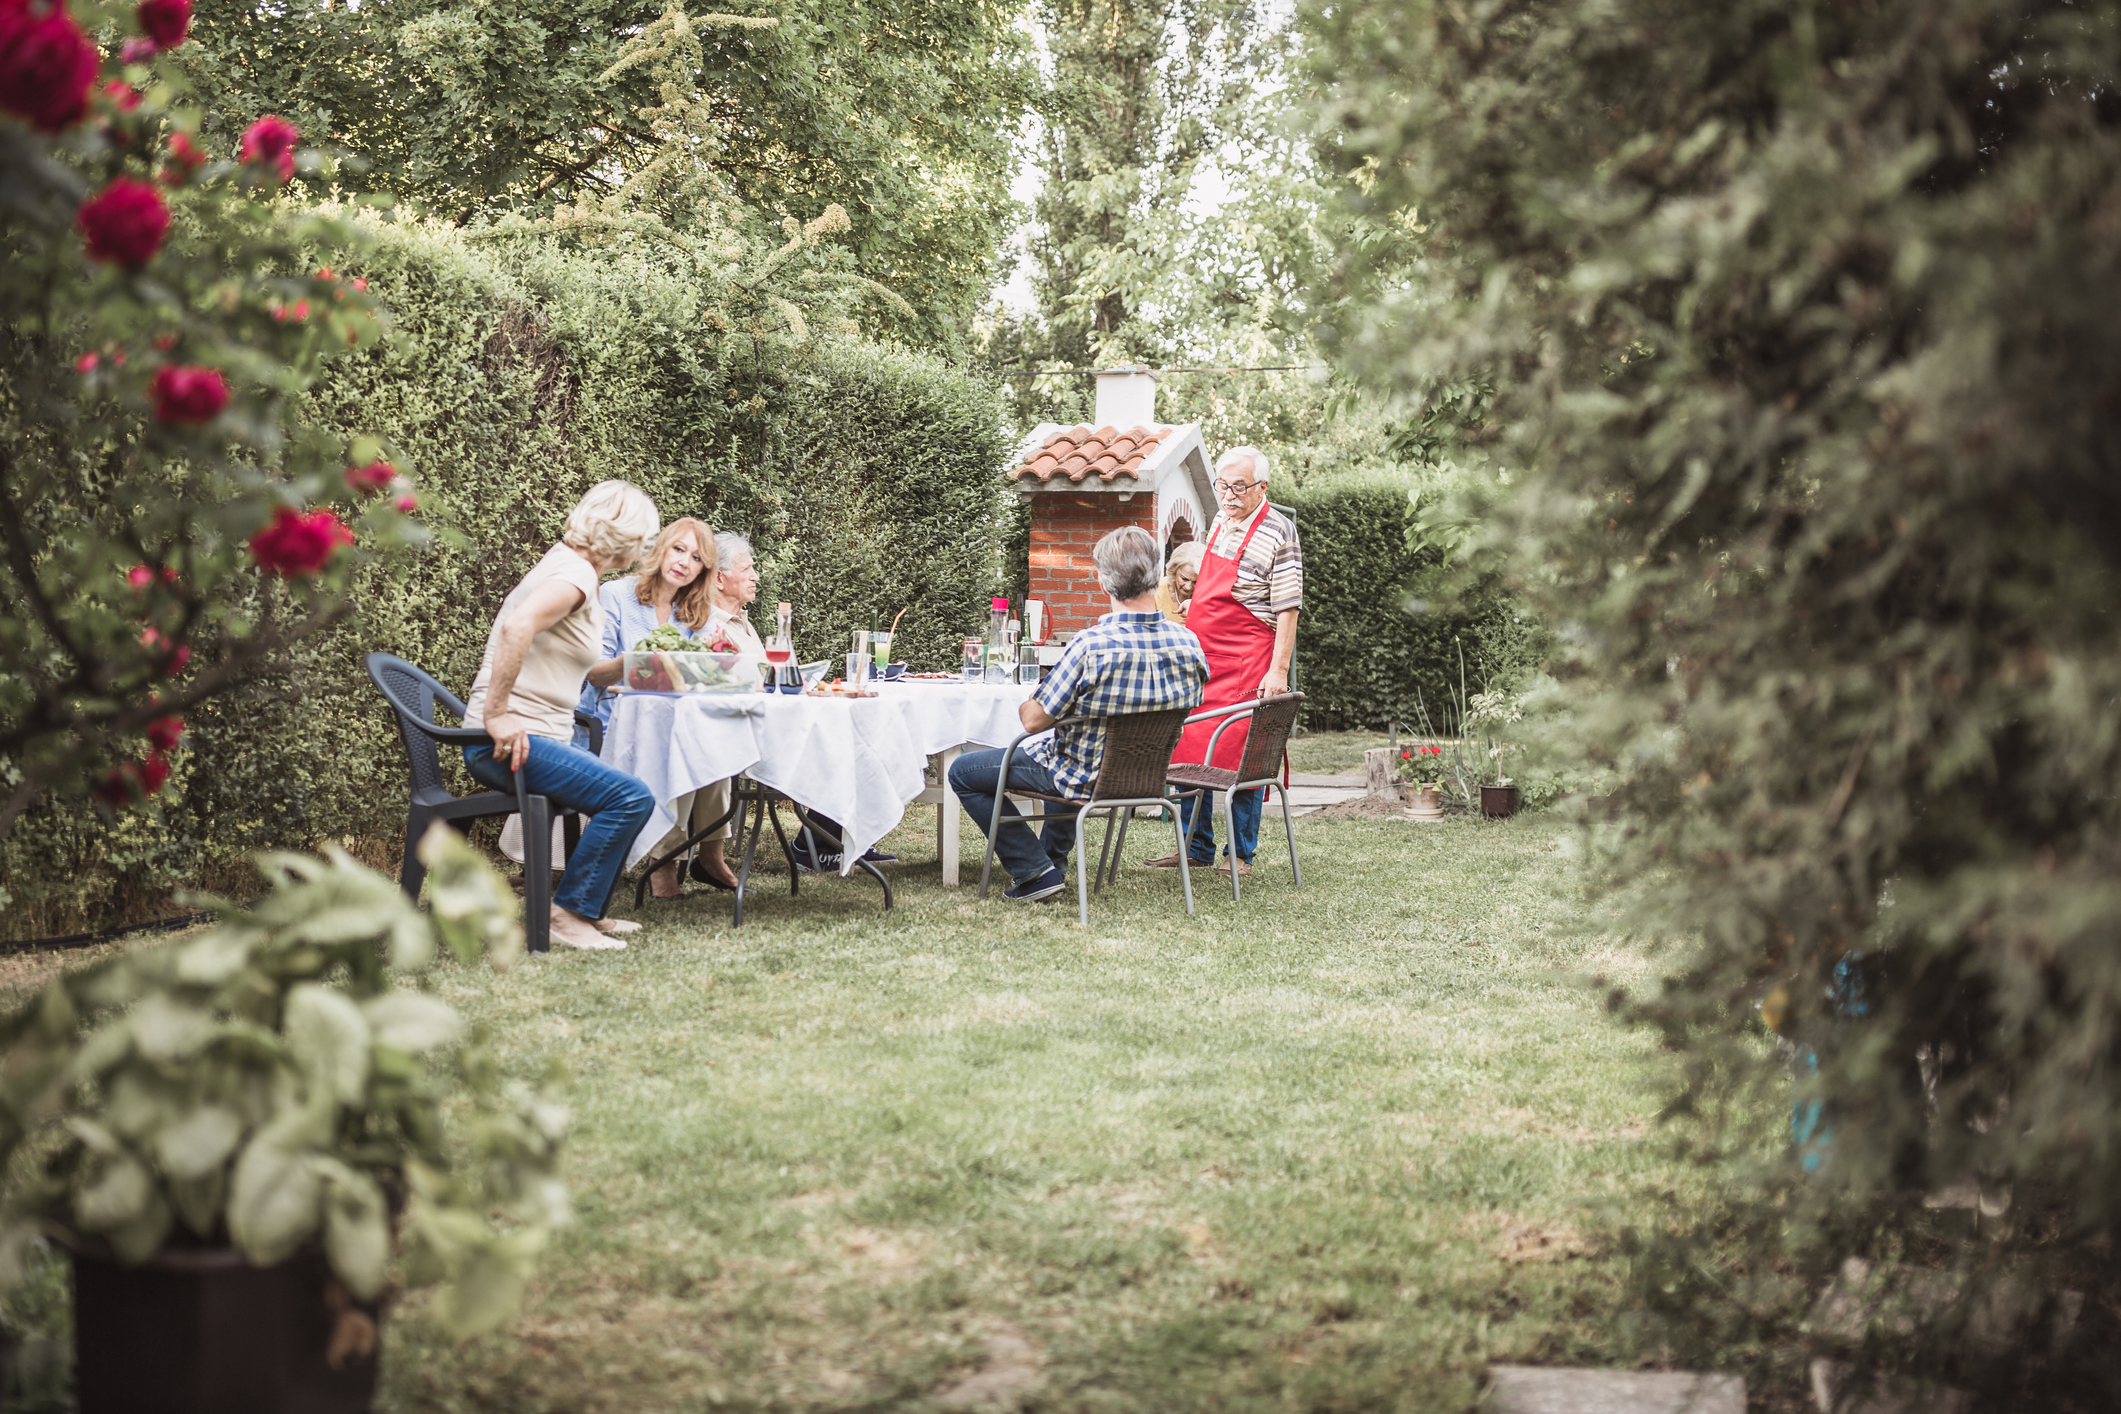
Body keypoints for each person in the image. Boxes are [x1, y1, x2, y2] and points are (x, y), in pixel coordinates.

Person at [949, 525, 1208, 902]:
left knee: (964, 771)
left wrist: (1031, 699)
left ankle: (1035, 871)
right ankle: (1052, 864)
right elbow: (1194, 697)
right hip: (1147, 777)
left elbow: (1033, 720)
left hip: (1081, 778)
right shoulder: (1189, 642)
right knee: (1066, 747)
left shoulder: (1091, 646)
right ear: (1157, 576)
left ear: (1104, 582)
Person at [461, 480, 659, 951]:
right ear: (625, 536)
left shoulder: (571, 568)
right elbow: (516, 626)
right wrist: (497, 715)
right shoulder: (577, 576)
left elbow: (588, 670)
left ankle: (588, 911)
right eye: (644, 538)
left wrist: (650, 663)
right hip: (509, 740)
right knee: (629, 797)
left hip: (542, 735)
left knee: (623, 791)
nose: (645, 548)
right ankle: (568, 916)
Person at [1145, 445, 1302, 879]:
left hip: (1249, 659)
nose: (1229, 495)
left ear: (1261, 488)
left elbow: (1288, 608)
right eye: (1223, 485)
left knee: (1242, 754)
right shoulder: (1219, 522)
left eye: (1238, 487)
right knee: (1189, 747)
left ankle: (1241, 854)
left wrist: (1279, 670)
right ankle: (1197, 848)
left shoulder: (1280, 531)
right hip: (1204, 662)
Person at [707, 530, 895, 873]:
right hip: (743, 733)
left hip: (771, 722)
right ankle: (820, 845)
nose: (755, 576)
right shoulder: (709, 627)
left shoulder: (744, 624)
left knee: (858, 734)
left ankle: (843, 840)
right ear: (720, 578)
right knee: (843, 742)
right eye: (747, 569)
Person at [576, 516, 741, 896]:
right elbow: (595, 674)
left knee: (714, 740)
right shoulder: (615, 595)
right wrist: (643, 659)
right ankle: (663, 863)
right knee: (683, 744)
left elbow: (708, 671)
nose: (684, 562)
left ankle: (710, 853)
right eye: (678, 549)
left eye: (696, 558)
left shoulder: (697, 610)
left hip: (679, 720)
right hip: (612, 720)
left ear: (704, 569)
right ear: (661, 549)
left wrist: (718, 659)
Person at [1155, 540, 1203, 625]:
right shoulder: (1157, 591)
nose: (1188, 587)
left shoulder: (1208, 598)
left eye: (1195, 582)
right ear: (1174, 570)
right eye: (1184, 579)